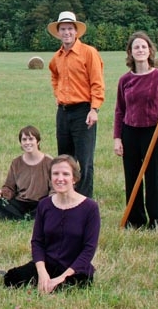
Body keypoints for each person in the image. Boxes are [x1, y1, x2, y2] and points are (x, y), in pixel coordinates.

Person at [0, 155, 100, 293]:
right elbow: (37, 242)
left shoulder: (90, 207)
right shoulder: (44, 205)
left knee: (64, 288)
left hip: (75, 271)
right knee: (11, 278)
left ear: (74, 178)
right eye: (55, 174)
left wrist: (61, 278)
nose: (60, 178)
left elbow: (89, 249)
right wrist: (42, 273)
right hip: (48, 265)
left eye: (65, 174)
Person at [114, 32, 158, 229]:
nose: (140, 50)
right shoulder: (125, 80)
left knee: (154, 177)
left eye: (143, 46)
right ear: (130, 53)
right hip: (130, 132)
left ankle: (157, 220)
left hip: (153, 132)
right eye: (136, 47)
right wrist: (117, 138)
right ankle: (135, 220)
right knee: (132, 176)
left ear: (149, 50)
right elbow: (119, 110)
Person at [48, 11, 104, 198]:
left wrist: (94, 109)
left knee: (85, 159)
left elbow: (97, 82)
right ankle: (65, 196)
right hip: (63, 112)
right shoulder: (56, 57)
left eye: (70, 29)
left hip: (83, 111)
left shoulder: (89, 53)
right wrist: (58, 93)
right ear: (58, 33)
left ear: (76, 31)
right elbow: (54, 76)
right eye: (63, 29)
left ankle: (85, 200)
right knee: (64, 157)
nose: (66, 33)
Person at [0, 126, 53, 221]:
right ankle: (23, 218)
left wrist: (51, 202)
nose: (27, 143)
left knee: (50, 207)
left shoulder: (49, 162)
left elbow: (54, 189)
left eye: (31, 139)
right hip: (21, 202)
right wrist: (0, 193)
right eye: (24, 140)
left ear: (38, 141)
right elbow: (10, 187)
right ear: (21, 143)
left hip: (41, 202)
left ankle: (20, 217)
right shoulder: (16, 162)